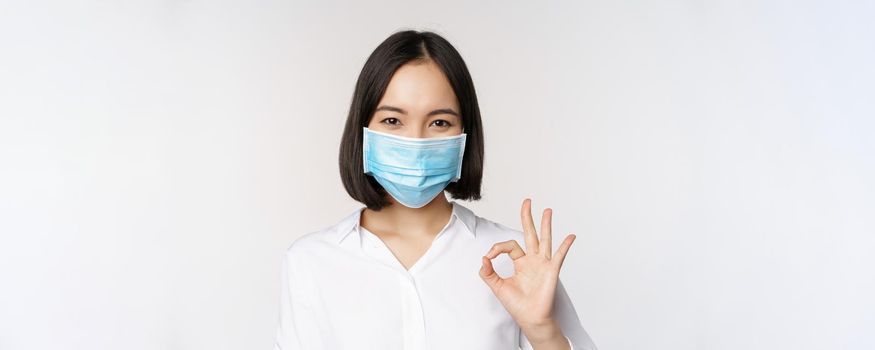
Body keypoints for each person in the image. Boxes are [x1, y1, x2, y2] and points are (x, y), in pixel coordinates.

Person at [273, 29, 598, 350]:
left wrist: (542, 332)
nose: (415, 140)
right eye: (392, 121)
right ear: (363, 130)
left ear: (465, 134)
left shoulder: (514, 261)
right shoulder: (310, 262)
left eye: (439, 122)